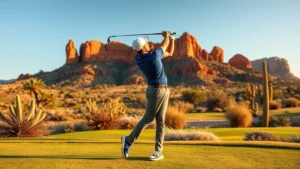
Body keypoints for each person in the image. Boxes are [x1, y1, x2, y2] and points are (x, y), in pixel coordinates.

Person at [121, 30, 175, 161]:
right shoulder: (153, 56)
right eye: (146, 43)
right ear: (144, 47)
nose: (148, 43)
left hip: (162, 90)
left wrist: (172, 38)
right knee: (148, 119)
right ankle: (128, 141)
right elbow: (164, 45)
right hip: (157, 91)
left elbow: (170, 52)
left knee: (161, 121)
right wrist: (167, 36)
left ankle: (158, 151)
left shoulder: (139, 57)